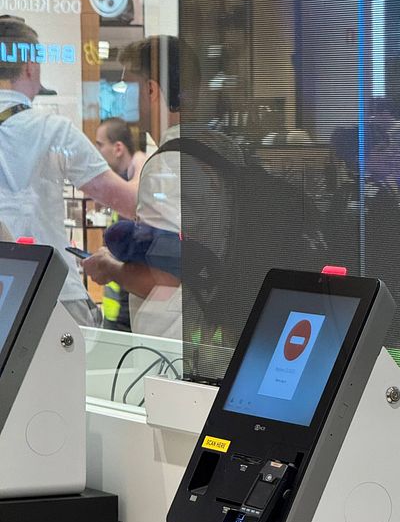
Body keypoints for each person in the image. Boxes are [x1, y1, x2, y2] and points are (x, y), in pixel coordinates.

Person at [84, 35, 241, 340]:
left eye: (127, 87)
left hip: (174, 342)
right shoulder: (224, 149)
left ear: (151, 91)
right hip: (217, 329)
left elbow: (162, 278)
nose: (120, 98)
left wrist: (111, 268)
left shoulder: (167, 165)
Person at [0, 17, 138, 327]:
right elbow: (128, 202)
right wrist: (143, 165)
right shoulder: (52, 130)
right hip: (52, 295)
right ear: (30, 68)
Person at [95, 117, 146, 332]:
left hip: (128, 314)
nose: (97, 153)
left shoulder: (139, 192)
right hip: (118, 312)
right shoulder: (125, 184)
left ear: (118, 148)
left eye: (100, 145)